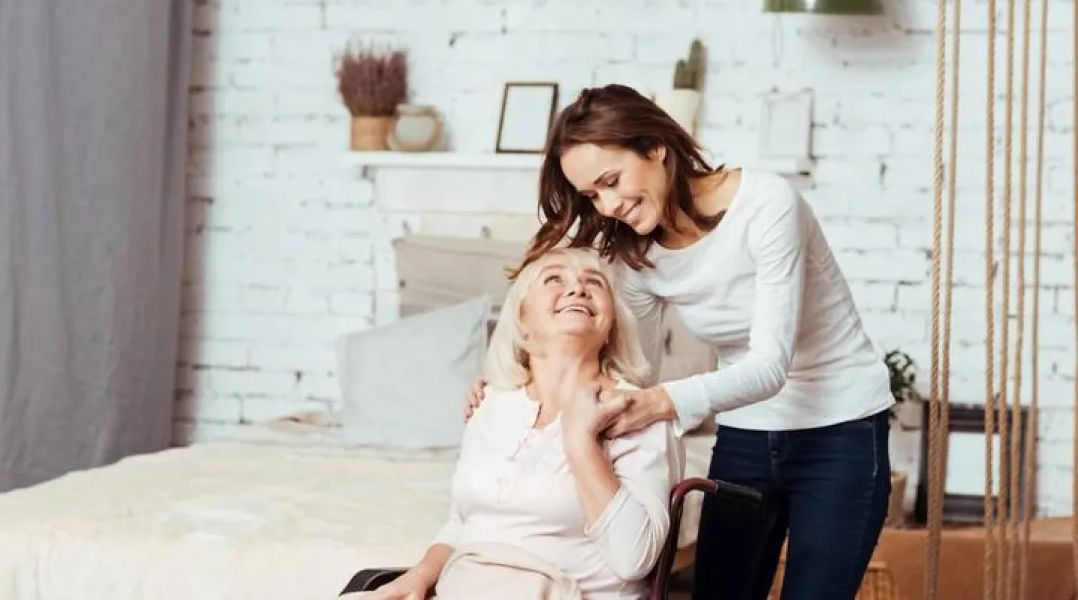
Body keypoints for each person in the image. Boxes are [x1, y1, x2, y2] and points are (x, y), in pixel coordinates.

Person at [465, 83, 894, 600]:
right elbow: (628, 371)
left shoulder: (768, 205)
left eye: (611, 180)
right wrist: (511, 389)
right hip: (747, 433)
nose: (609, 204)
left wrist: (662, 403)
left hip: (839, 429)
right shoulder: (637, 254)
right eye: (593, 195)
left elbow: (769, 368)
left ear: (656, 148)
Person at [360, 247, 684, 600]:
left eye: (594, 283)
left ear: (610, 328)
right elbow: (463, 523)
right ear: (523, 322)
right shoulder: (491, 405)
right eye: (554, 279)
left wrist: (581, 443)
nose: (577, 289)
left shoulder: (637, 411)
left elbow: (634, 560)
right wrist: (417, 576)